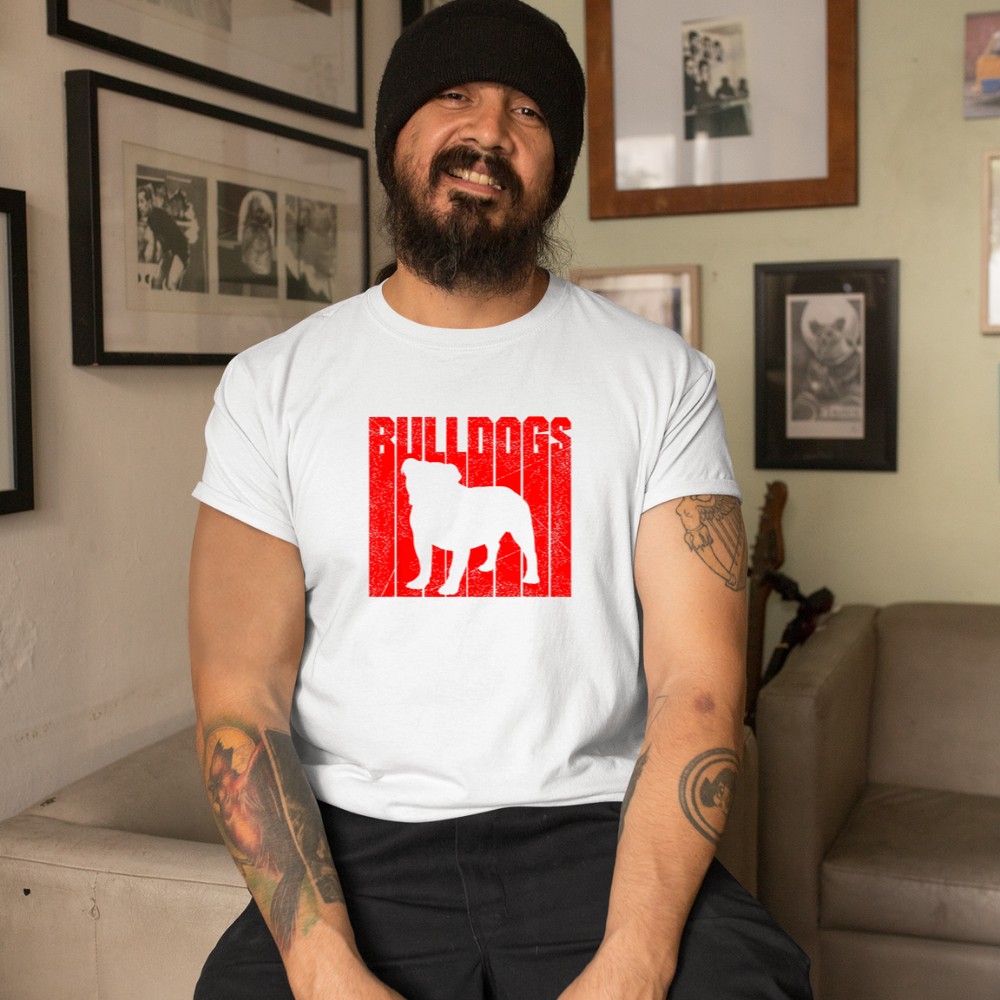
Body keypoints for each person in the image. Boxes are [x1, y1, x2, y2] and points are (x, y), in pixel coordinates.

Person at [188, 2, 813, 999]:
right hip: (357, 841)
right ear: (396, 137)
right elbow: (240, 696)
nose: (488, 132)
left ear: (554, 168)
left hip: (594, 829)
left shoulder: (661, 378)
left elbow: (696, 685)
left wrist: (635, 960)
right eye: (453, 97)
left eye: (527, 111)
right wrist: (321, 966)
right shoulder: (272, 386)